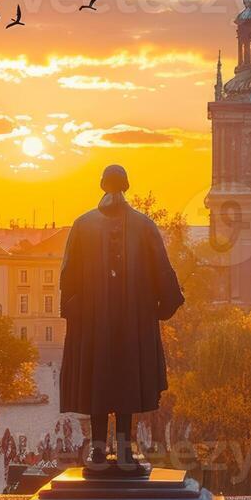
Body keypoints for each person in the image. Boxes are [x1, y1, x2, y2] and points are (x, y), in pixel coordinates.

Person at [58, 164, 185, 473]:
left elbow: (67, 277)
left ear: (101, 184)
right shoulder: (144, 225)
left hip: (93, 324)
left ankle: (98, 454)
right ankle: (126, 454)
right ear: (127, 185)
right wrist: (160, 309)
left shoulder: (82, 225)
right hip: (133, 322)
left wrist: (76, 316)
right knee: (128, 380)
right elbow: (164, 273)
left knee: (98, 382)